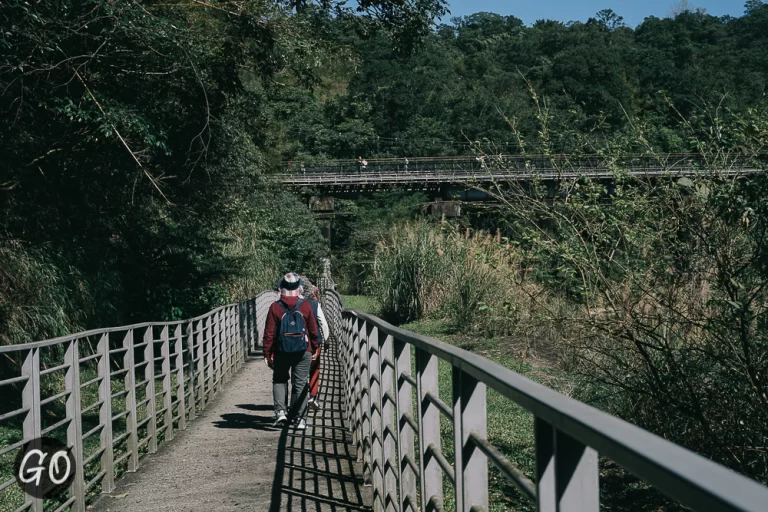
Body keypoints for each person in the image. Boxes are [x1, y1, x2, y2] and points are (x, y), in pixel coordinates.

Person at [263, 272, 319, 429]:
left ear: (282, 287)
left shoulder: (275, 307)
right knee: (300, 383)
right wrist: (315, 346)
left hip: (281, 351)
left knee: (280, 380)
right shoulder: (306, 305)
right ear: (299, 287)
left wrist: (267, 353)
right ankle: (300, 419)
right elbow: (313, 330)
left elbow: (269, 334)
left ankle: (281, 413)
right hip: (303, 350)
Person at [305, 285, 329, 412]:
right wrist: (326, 340)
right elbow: (323, 323)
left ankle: (300, 398)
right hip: (314, 342)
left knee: (299, 372)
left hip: (296, 343)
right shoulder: (314, 304)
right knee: (314, 370)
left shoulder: (290, 303)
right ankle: (313, 396)